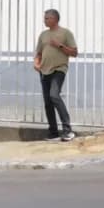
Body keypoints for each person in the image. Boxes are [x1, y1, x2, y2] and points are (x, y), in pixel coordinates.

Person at [34, 9, 78, 141]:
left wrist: (59, 45)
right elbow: (39, 53)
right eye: (45, 18)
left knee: (54, 95)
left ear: (55, 19)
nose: (45, 20)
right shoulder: (43, 35)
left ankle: (67, 130)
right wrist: (36, 64)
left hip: (59, 69)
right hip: (44, 70)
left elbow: (74, 53)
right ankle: (53, 132)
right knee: (48, 102)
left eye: (47, 18)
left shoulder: (65, 33)